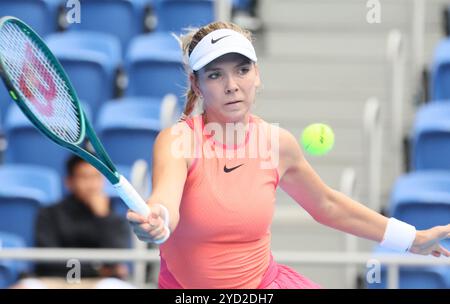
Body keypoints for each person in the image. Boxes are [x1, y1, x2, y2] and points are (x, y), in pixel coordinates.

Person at [127, 21, 450, 289]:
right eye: (215, 75)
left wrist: (411, 238)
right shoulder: (178, 140)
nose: (232, 85)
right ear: (196, 85)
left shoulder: (276, 143)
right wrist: (157, 221)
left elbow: (327, 205)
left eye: (242, 70)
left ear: (257, 75)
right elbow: (165, 202)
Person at [35, 155, 130, 280]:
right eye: (84, 177)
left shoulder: (113, 218)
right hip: (57, 281)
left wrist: (103, 217)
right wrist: (96, 269)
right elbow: (49, 260)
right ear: (69, 182)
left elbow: (115, 258)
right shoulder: (49, 214)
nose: (91, 185)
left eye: (96, 177)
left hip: (100, 283)